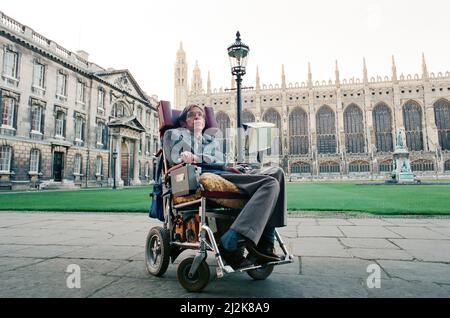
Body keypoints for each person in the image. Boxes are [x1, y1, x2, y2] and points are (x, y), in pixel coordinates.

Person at [163, 104, 287, 269]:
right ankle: (233, 240)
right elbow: (175, 157)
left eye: (200, 114)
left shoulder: (211, 140)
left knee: (277, 173)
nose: (197, 117)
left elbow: (219, 161)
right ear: (184, 122)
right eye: (192, 115)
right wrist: (194, 150)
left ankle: (265, 244)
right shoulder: (174, 133)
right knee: (270, 184)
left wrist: (200, 152)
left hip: (223, 171)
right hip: (199, 175)